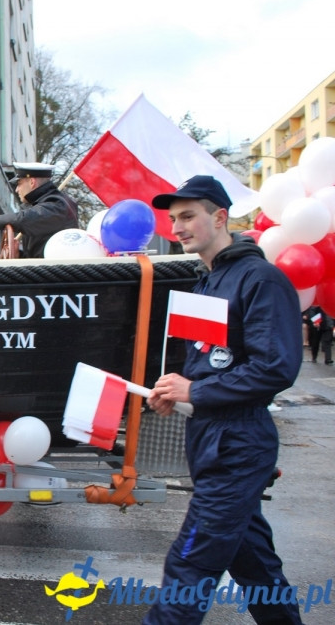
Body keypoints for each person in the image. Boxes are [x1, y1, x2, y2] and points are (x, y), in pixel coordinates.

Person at [145, 176, 303, 624]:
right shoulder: (209, 282)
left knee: (188, 565)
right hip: (210, 438)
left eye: (188, 216)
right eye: (174, 219)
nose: (178, 227)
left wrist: (197, 391)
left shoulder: (261, 279)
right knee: (255, 566)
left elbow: (276, 368)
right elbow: (208, 366)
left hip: (238, 444)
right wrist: (177, 394)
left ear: (219, 217)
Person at [0, 162, 79, 258]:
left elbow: (25, 218)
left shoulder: (57, 205)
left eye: (19, 183)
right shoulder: (50, 204)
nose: (17, 189)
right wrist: (18, 255)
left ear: (32, 182)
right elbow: (38, 253)